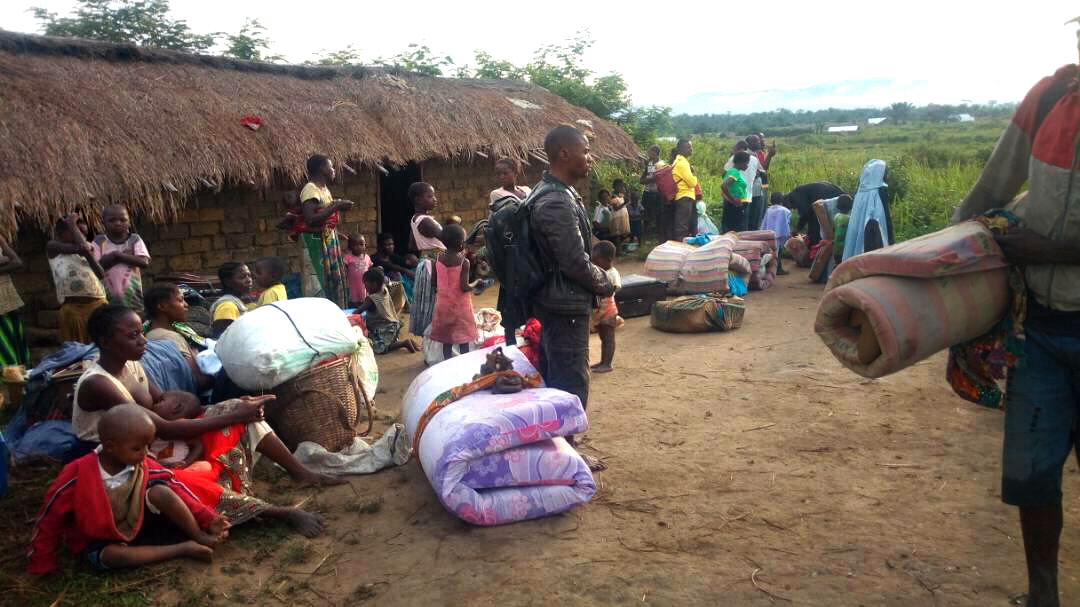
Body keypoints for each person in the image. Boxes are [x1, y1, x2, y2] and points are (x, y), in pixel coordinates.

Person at [949, 46, 1080, 607]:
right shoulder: (1049, 98)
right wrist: (939, 259)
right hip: (1041, 334)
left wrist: (1048, 250)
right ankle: (1042, 594)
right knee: (1031, 475)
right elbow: (988, 193)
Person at [75, 305, 340, 533]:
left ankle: (300, 472)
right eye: (133, 335)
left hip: (151, 441)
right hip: (119, 459)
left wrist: (226, 411)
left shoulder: (131, 364)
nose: (142, 340)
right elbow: (165, 427)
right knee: (179, 483)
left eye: (141, 333)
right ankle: (275, 513)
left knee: (235, 407)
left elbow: (161, 403)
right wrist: (227, 416)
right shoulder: (99, 384)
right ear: (106, 342)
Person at [27, 404, 229, 574]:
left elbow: (179, 489)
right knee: (112, 556)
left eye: (148, 446)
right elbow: (50, 516)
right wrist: (41, 560)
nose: (146, 453)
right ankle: (181, 549)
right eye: (137, 448)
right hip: (102, 538)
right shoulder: (78, 473)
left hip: (140, 524)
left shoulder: (143, 463)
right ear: (110, 446)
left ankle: (197, 536)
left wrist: (207, 518)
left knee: (162, 490)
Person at [530, 125, 614, 472]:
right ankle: (568, 455)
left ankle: (557, 446)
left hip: (556, 302)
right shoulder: (555, 201)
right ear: (564, 153)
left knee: (557, 375)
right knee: (570, 380)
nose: (589, 158)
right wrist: (604, 283)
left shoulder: (552, 193)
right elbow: (574, 262)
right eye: (585, 151)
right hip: (564, 305)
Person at [298, 154, 354, 307]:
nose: (333, 169)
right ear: (322, 168)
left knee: (330, 282)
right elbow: (310, 219)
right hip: (314, 242)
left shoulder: (324, 189)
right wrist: (336, 206)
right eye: (331, 166)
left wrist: (335, 233)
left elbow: (324, 216)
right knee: (318, 282)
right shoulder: (310, 189)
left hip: (327, 239)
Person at [48, 213, 107, 344]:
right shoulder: (53, 246)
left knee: (102, 345)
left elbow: (101, 274)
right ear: (60, 233)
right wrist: (72, 224)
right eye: (76, 232)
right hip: (73, 308)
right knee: (76, 349)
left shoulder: (89, 249)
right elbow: (81, 247)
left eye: (85, 234)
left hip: (98, 304)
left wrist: (73, 225)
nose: (82, 237)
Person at [144, 285, 211, 392]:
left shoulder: (150, 332)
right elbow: (200, 380)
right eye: (180, 300)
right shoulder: (169, 337)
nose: (186, 305)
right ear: (162, 306)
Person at [430, 224, 480, 360]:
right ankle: (463, 365)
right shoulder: (464, 262)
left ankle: (448, 364)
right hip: (460, 308)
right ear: (460, 244)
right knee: (463, 339)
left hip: (443, 307)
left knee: (447, 340)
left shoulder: (437, 260)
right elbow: (464, 287)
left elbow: (433, 283)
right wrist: (476, 283)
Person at [92, 204, 151, 314]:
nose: (118, 223)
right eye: (112, 220)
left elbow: (144, 262)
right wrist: (122, 256)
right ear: (103, 222)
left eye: (123, 220)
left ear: (129, 222)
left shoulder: (134, 239)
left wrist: (118, 256)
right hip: (106, 300)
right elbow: (97, 268)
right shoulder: (98, 241)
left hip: (133, 299)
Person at [408, 182, 446, 338]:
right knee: (437, 305)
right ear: (418, 199)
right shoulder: (425, 221)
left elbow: (411, 245)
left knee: (430, 305)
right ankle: (437, 342)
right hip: (434, 265)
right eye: (430, 196)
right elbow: (447, 238)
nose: (434, 199)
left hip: (426, 261)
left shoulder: (415, 219)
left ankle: (432, 343)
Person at [355, 267, 418, 354]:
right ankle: (404, 342)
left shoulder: (371, 299)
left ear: (374, 284)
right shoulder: (385, 290)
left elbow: (357, 312)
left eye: (366, 284)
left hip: (384, 330)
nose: (365, 287)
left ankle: (404, 344)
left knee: (377, 348)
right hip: (394, 327)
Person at [841, 159, 894, 261]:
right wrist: (890, 237)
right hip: (874, 230)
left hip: (859, 229)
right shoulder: (880, 190)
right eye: (885, 173)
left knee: (859, 250)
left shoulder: (861, 190)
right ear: (879, 174)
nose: (887, 175)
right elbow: (886, 216)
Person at [148, 391, 206, 469]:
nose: (154, 404)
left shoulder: (183, 432)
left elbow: (199, 446)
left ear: (177, 407)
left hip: (178, 468)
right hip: (160, 467)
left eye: (160, 400)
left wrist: (185, 463)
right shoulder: (155, 429)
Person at [589, 241, 621, 374]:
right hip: (600, 311)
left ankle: (607, 363)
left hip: (608, 310)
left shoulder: (612, 273)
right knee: (603, 337)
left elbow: (610, 290)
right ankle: (603, 361)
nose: (594, 263)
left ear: (608, 260)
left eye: (597, 260)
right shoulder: (599, 272)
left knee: (608, 338)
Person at [782, 182, 847, 246]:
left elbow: (805, 213)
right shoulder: (799, 193)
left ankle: (816, 244)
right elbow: (809, 212)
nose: (793, 208)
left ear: (787, 201)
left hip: (830, 195)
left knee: (814, 223)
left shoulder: (795, 196)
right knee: (814, 219)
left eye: (790, 207)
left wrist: (797, 229)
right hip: (833, 193)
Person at [0, 237, 29, 366]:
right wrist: (6, 260)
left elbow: (17, 262)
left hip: (7, 300)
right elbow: (10, 260)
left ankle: (15, 377)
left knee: (13, 340)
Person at [210, 262, 253, 338]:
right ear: (227, 282)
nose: (249, 280)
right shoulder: (227, 306)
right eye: (242, 277)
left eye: (249, 275)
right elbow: (224, 338)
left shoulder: (236, 302)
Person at [671, 139, 700, 240]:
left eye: (691, 147)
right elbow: (692, 183)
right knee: (682, 225)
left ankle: (681, 244)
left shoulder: (680, 161)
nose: (691, 149)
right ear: (680, 149)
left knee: (684, 224)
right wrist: (694, 176)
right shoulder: (682, 163)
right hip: (684, 196)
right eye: (688, 147)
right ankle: (679, 247)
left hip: (683, 196)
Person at [746, 135, 776, 230]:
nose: (760, 142)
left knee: (758, 215)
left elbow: (762, 171)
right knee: (753, 216)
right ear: (749, 143)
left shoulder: (756, 154)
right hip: (751, 190)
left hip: (758, 188)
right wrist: (770, 156)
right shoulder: (748, 155)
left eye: (760, 140)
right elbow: (763, 169)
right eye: (757, 141)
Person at [639, 144, 666, 241]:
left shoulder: (661, 165)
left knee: (657, 214)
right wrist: (650, 179)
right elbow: (642, 180)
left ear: (656, 153)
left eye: (651, 152)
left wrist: (649, 179)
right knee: (646, 213)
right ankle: (646, 234)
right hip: (648, 192)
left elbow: (658, 179)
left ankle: (658, 234)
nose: (649, 154)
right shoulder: (650, 164)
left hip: (657, 193)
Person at [762, 193, 793, 275]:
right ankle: (778, 269)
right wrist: (788, 233)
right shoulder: (785, 211)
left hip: (768, 234)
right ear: (781, 200)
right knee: (778, 252)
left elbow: (764, 222)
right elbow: (787, 223)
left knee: (768, 252)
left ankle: (767, 268)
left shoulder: (768, 210)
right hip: (779, 234)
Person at [722, 152, 752, 233]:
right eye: (746, 163)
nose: (747, 166)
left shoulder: (731, 171)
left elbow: (724, 190)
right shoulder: (735, 172)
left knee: (731, 229)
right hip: (736, 206)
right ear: (740, 162)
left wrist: (729, 199)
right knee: (737, 230)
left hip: (734, 205)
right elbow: (724, 185)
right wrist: (733, 200)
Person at [343, 234, 371, 308]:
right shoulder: (348, 257)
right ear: (350, 247)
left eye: (361, 244)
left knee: (364, 300)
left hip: (364, 284)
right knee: (353, 301)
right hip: (353, 285)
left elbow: (370, 269)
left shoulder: (367, 257)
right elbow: (343, 269)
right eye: (355, 245)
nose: (359, 247)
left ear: (365, 245)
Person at [608, 179, 631, 246]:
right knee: (617, 234)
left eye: (621, 186)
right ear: (614, 186)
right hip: (617, 217)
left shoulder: (621, 194)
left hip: (622, 216)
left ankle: (621, 247)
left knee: (623, 232)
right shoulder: (613, 196)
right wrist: (624, 203)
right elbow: (615, 208)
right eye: (619, 186)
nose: (620, 187)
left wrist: (626, 189)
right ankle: (618, 249)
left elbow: (627, 198)